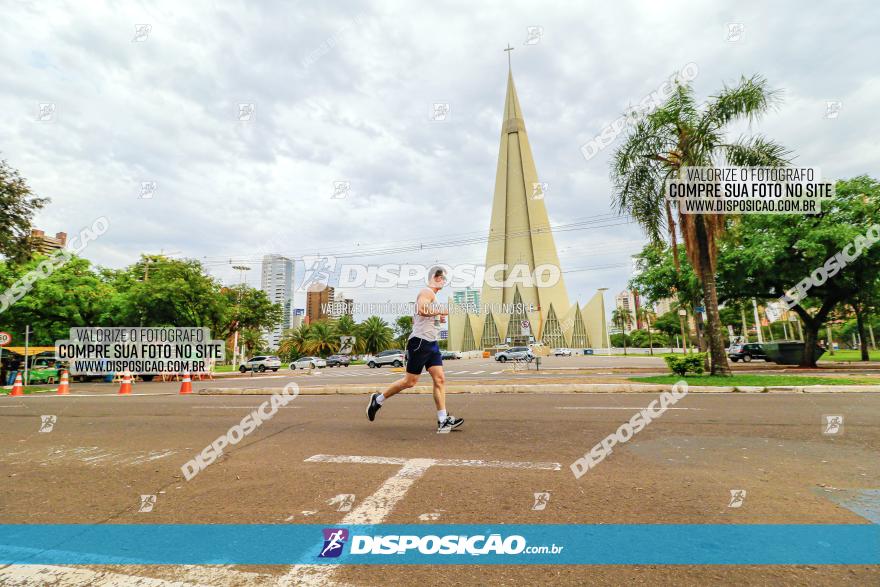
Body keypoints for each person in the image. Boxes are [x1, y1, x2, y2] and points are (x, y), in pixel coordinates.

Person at [366, 266, 464, 433]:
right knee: (410, 382)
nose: (444, 282)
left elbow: (417, 317)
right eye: (442, 278)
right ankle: (378, 399)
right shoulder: (426, 292)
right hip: (420, 343)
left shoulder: (432, 297)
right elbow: (421, 309)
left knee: (439, 380)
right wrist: (442, 311)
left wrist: (436, 317)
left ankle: (443, 420)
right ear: (435, 278)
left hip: (431, 344)